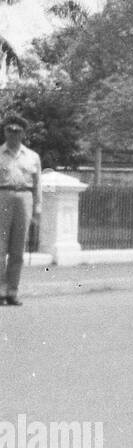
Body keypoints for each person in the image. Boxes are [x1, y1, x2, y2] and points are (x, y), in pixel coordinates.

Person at [0, 114, 41, 305]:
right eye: (10, 130)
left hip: (25, 198)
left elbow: (37, 184)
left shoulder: (33, 157)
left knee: (18, 249)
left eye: (18, 131)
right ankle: (0, 291)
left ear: (23, 133)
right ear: (4, 131)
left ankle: (12, 291)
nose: (13, 134)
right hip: (3, 197)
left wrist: (38, 209)